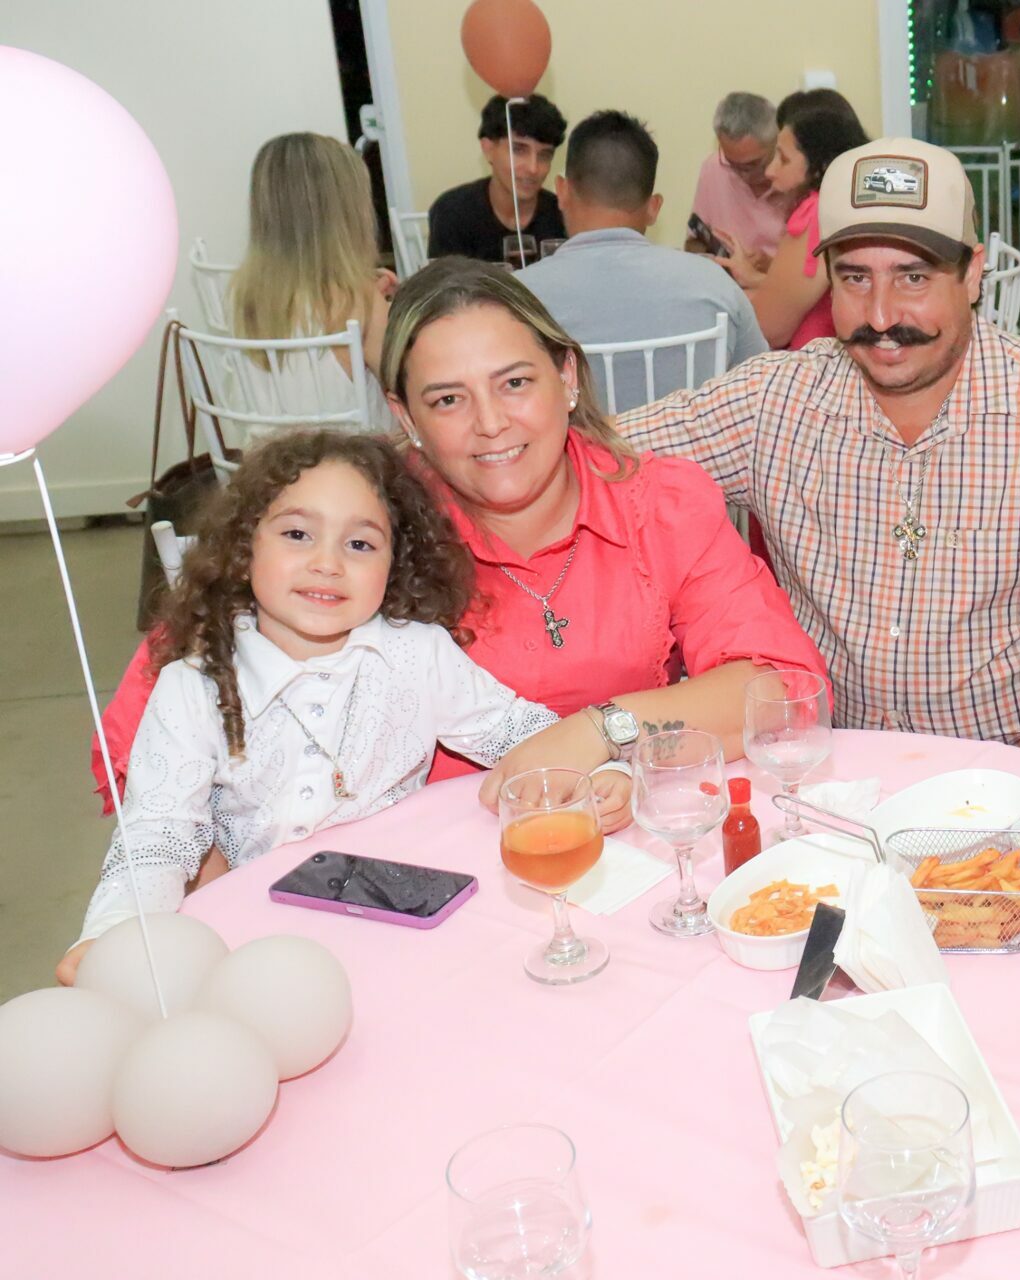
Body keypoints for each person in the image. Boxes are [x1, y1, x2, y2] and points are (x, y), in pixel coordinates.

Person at [91, 259, 829, 827]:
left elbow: (782, 688)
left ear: (567, 376)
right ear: (404, 416)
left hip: (624, 841)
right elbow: (138, 732)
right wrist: (214, 881)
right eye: (448, 399)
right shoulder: (359, 524)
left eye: (515, 383)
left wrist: (603, 731)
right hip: (414, 869)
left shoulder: (659, 504)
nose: (491, 424)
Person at [620, 138, 1020, 759]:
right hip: (832, 771)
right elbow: (596, 458)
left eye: (913, 277)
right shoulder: (771, 404)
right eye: (855, 278)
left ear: (972, 273)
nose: (881, 315)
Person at [58, 432, 614, 982]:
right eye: (297, 534)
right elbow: (158, 837)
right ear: (244, 548)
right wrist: (111, 935)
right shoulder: (193, 685)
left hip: (404, 925)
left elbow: (517, 732)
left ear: (395, 563)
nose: (327, 563)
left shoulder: (416, 653)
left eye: (360, 545)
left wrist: (602, 773)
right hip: (263, 943)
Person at [518, 110, 766, 412]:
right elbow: (762, 388)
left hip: (576, 445)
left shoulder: (518, 298)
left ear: (561, 191)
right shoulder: (717, 286)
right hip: (688, 445)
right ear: (654, 207)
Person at [228, 133, 397, 435]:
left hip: (270, 461)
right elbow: (411, 387)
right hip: (356, 461)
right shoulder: (361, 302)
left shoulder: (244, 296)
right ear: (349, 214)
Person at [713, 106, 869, 350]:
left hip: (813, 365)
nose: (770, 171)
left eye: (783, 159)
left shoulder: (816, 214)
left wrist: (722, 295)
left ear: (819, 166)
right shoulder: (851, 204)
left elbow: (768, 328)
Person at [427, 94, 569, 263]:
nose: (533, 168)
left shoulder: (563, 214)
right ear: (488, 149)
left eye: (544, 155)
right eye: (518, 150)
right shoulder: (453, 212)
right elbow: (445, 279)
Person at [686, 91, 787, 269]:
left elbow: (821, 267)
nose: (744, 175)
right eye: (732, 164)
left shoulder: (800, 177)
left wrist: (770, 267)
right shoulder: (714, 168)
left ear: (777, 141)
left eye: (754, 164)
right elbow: (695, 242)